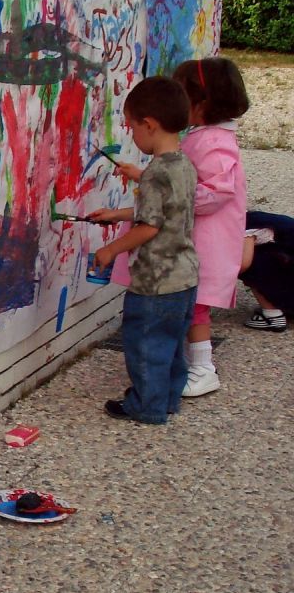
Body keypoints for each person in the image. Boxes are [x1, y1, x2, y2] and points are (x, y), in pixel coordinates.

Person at [88, 76, 199, 424]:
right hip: (185, 278)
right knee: (172, 345)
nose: (132, 134)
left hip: (154, 283)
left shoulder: (154, 175)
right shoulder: (183, 165)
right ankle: (166, 398)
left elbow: (149, 227)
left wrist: (111, 250)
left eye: (132, 127)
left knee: (145, 345)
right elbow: (166, 213)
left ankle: (146, 407)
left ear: (149, 125)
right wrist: (118, 213)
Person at [170, 57, 250, 396]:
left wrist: (176, 199)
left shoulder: (212, 141)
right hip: (202, 239)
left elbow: (218, 190)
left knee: (197, 305)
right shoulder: (205, 136)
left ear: (200, 102)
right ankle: (195, 364)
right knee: (194, 304)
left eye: (180, 95)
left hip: (207, 242)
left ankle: (204, 369)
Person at [240, 210, 294, 330]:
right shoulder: (259, 219)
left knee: (244, 260)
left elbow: (243, 265)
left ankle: (272, 317)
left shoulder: (246, 225)